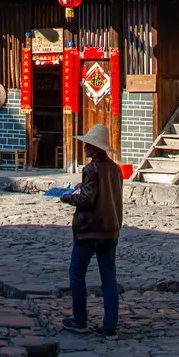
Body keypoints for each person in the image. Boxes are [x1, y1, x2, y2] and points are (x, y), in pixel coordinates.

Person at [57, 123, 123, 337]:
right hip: (110, 229)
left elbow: (87, 199)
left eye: (87, 144)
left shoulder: (91, 169)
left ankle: (79, 320)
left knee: (77, 274)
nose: (84, 146)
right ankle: (110, 326)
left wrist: (68, 197)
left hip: (89, 230)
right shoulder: (115, 169)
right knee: (108, 279)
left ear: (93, 148)